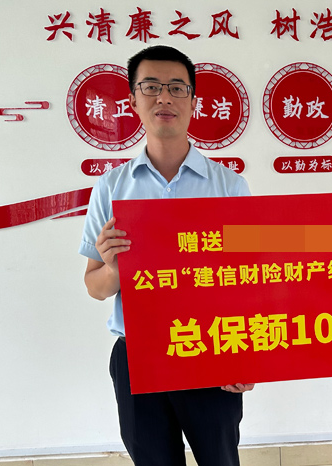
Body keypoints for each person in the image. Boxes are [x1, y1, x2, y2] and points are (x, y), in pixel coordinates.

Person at [79, 45, 253, 466]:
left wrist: (248, 353)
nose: (164, 97)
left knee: (220, 459)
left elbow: (250, 282)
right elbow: (94, 287)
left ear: (193, 101)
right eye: (151, 87)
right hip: (137, 355)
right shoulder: (111, 187)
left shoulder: (229, 186)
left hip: (212, 348)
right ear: (133, 99)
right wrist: (115, 268)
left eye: (177, 87)